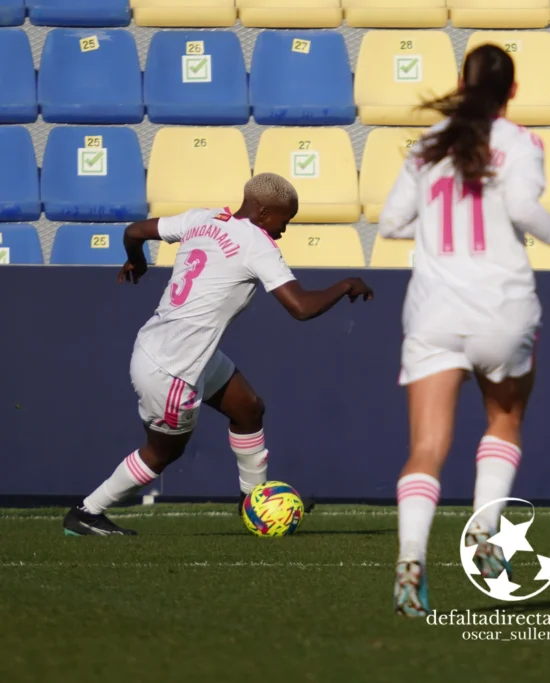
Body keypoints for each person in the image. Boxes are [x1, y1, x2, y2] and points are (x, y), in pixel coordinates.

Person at [378, 44, 550, 616]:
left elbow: (390, 223)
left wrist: (438, 229)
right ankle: (483, 538)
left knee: (426, 448)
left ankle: (411, 561)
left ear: (461, 81)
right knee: (504, 419)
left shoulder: (428, 149)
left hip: (434, 310)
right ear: (512, 90)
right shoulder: (521, 142)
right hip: (501, 307)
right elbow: (525, 207)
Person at [62, 173, 373, 536]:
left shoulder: (203, 219)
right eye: (283, 221)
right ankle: (87, 512)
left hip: (174, 348)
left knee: (248, 408)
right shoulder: (257, 244)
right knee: (163, 453)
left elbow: (134, 231)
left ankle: (253, 502)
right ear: (262, 211)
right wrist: (346, 284)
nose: (284, 230)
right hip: (174, 367)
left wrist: (137, 260)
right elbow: (301, 308)